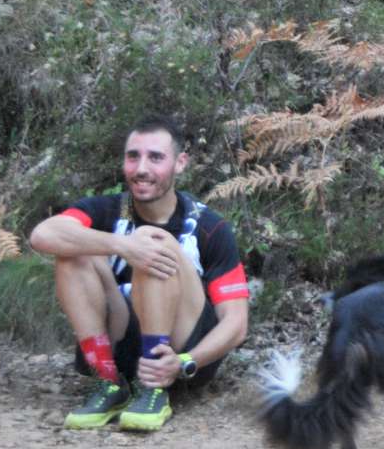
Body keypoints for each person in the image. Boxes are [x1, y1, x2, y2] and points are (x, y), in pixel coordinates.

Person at [29, 116, 251, 432]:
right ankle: (107, 380)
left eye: (155, 157)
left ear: (180, 163)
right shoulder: (108, 209)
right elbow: (43, 235)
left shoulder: (209, 227)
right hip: (122, 341)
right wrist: (124, 246)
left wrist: (186, 362)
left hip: (178, 353)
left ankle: (154, 388)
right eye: (133, 156)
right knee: (71, 250)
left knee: (154, 241)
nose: (141, 168)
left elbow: (236, 324)